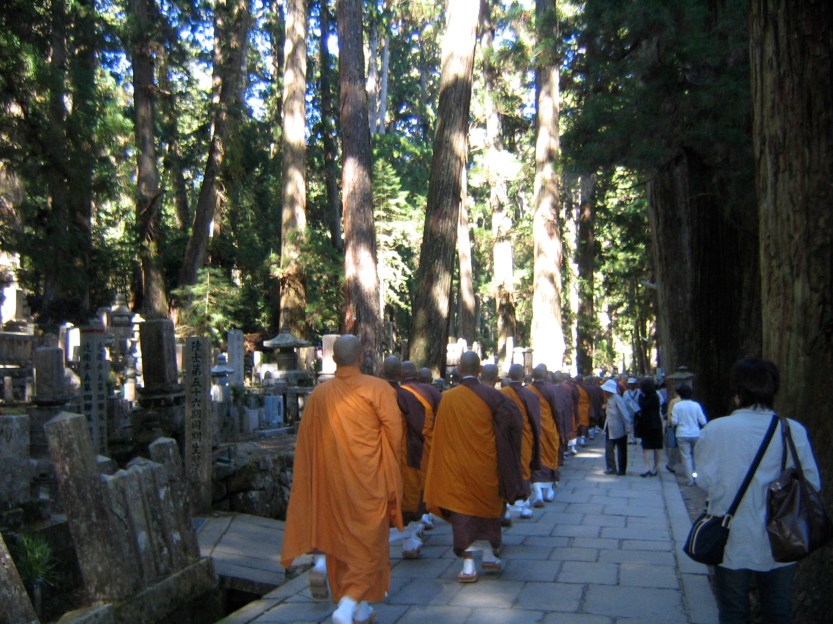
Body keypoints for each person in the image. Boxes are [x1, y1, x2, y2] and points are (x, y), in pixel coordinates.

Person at [280, 335, 403, 624]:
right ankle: (346, 608)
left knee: (343, 544)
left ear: (334, 359)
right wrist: (389, 470)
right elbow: (395, 436)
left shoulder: (319, 396)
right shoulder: (379, 389)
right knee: (369, 545)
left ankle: (361, 610)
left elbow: (307, 445)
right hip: (369, 482)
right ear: (361, 358)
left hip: (333, 485)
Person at [696, 358, 822, 624]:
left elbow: (704, 481)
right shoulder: (792, 430)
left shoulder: (715, 429)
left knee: (733, 613)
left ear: (737, 390)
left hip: (731, 536)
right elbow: (812, 483)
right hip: (782, 538)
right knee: (778, 613)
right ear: (773, 389)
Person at [423, 351, 526, 583]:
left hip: (458, 469)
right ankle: (489, 555)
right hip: (486, 466)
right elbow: (513, 424)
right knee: (488, 513)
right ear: (479, 371)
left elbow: (441, 436)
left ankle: (468, 566)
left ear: (459, 370)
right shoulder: (493, 396)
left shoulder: (447, 398)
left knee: (463, 516)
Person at [380, 356, 425, 558]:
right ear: (400, 375)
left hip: (375, 458)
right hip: (402, 457)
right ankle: (409, 540)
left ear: (381, 373)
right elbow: (419, 427)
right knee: (407, 498)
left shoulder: (370, 395)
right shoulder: (407, 397)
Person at [400, 360, 442, 531]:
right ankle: (426, 514)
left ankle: (412, 522)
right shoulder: (431, 391)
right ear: (416, 375)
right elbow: (441, 416)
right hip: (428, 443)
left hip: (405, 446)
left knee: (408, 482)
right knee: (426, 479)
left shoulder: (396, 392)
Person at [501, 363, 542, 520]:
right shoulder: (530, 395)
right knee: (524, 468)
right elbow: (535, 420)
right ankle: (523, 505)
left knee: (507, 469)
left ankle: (506, 505)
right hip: (525, 437)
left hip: (505, 438)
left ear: (509, 376)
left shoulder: (502, 393)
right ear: (523, 376)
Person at [528, 364, 561, 504]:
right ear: (546, 375)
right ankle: (549, 491)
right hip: (548, 430)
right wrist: (560, 430)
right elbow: (557, 411)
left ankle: (537, 492)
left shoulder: (526, 391)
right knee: (549, 457)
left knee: (534, 457)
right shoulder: (551, 389)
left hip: (532, 430)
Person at [671, 384, 707, 485]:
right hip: (696, 433)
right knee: (697, 456)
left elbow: (674, 421)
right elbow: (703, 421)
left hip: (682, 434)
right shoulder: (696, 405)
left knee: (686, 457)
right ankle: (697, 476)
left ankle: (690, 479)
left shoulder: (677, 406)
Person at [601, 378, 631, 475]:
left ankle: (622, 470)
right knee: (609, 449)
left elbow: (624, 412)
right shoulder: (609, 399)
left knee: (621, 450)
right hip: (610, 428)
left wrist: (627, 425)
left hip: (619, 428)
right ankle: (611, 467)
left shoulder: (617, 398)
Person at [635, 377, 663, 476]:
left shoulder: (651, 397)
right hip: (654, 423)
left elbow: (643, 405)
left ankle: (651, 467)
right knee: (652, 447)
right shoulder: (655, 396)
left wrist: (641, 398)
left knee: (651, 447)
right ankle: (652, 467)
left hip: (649, 423)